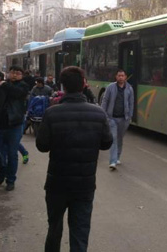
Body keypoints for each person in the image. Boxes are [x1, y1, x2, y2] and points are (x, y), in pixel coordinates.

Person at [36, 66, 112, 252]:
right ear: (84, 85)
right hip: (84, 185)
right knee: (80, 231)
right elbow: (106, 143)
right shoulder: (98, 113)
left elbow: (42, 146)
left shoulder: (52, 113)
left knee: (54, 228)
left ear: (63, 86)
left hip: (57, 184)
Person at [0, 65, 29, 191]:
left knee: (12, 153)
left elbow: (17, 94)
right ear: (8, 73)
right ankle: (2, 170)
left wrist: (5, 85)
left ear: (21, 75)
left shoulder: (23, 86)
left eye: (18, 73)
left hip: (15, 125)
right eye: (12, 72)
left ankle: (11, 180)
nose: (15, 75)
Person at [100, 69, 134, 170]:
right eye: (119, 76)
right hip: (112, 118)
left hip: (124, 119)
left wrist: (130, 116)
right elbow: (105, 100)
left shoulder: (129, 89)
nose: (120, 77)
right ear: (116, 77)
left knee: (120, 138)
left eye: (122, 76)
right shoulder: (110, 87)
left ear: (125, 77)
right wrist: (104, 114)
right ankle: (113, 161)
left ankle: (118, 156)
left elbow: (131, 103)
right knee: (114, 139)